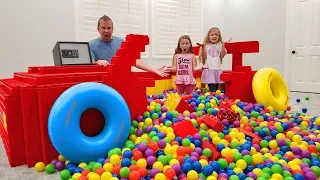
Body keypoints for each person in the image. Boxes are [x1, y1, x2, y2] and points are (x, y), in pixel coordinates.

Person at [89, 15, 168, 77]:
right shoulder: (91, 44)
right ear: (98, 29)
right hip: (103, 83)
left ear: (112, 29)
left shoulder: (121, 42)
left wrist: (154, 70)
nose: (106, 31)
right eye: (103, 28)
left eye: (109, 28)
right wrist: (97, 62)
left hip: (121, 79)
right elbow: (89, 63)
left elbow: (135, 60)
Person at [197, 27, 230, 92]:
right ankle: (212, 96)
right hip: (209, 69)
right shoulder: (206, 45)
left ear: (219, 36)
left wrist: (223, 45)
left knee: (216, 87)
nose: (214, 36)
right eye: (212, 35)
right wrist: (203, 47)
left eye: (216, 35)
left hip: (217, 69)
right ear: (208, 36)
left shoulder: (219, 45)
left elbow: (222, 55)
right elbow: (204, 57)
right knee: (212, 88)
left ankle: (214, 96)